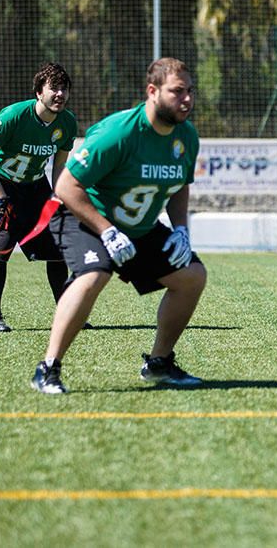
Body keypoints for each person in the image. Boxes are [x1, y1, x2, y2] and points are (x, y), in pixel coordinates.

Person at [30, 57, 207, 394]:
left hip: (137, 227)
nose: (187, 99)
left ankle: (159, 364)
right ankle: (47, 368)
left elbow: (181, 183)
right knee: (95, 273)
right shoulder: (120, 132)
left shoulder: (186, 136)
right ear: (152, 92)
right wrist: (107, 231)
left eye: (190, 91)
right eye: (177, 91)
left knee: (193, 276)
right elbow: (66, 186)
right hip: (84, 218)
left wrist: (181, 228)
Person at [0, 62, 77, 332]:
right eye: (54, 88)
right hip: (1, 185)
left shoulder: (67, 123)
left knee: (56, 251)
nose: (60, 94)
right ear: (39, 92)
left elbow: (59, 167)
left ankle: (67, 313)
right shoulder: (15, 115)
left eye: (64, 88)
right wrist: (1, 199)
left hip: (36, 187)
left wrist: (58, 196)